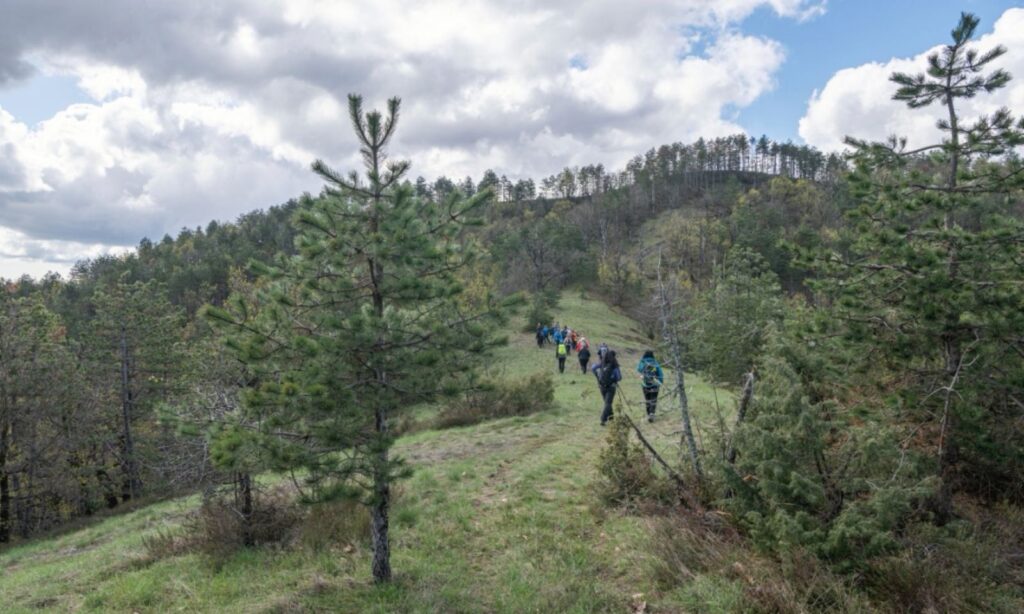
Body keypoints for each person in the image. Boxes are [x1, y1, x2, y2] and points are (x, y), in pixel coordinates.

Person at [592, 350, 621, 425]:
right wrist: (614, 379)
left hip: (602, 387)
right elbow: (619, 377)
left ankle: (611, 418)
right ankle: (603, 419)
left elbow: (593, 368)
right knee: (608, 403)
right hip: (611, 387)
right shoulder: (614, 366)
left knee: (607, 403)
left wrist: (597, 376)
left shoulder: (601, 364)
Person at [636, 350, 665, 422]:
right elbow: (660, 374)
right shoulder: (655, 363)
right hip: (655, 384)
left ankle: (648, 414)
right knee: (653, 399)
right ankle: (652, 413)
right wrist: (660, 382)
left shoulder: (642, 362)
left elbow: (638, 369)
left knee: (647, 399)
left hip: (645, 384)